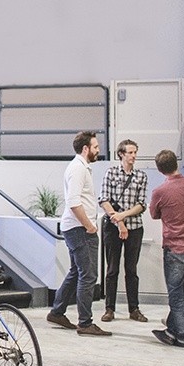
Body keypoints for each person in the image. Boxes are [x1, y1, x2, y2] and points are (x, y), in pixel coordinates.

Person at [47, 131, 111, 336]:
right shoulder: (78, 169)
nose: (98, 150)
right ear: (86, 148)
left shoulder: (82, 168)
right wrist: (89, 226)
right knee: (88, 275)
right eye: (95, 146)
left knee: (77, 272)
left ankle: (57, 312)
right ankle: (85, 322)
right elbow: (73, 201)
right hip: (79, 229)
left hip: (77, 228)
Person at [149, 149, 184, 348]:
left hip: (175, 249)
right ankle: (172, 330)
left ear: (159, 169)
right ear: (177, 164)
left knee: (176, 294)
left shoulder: (160, 192)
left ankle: (182, 335)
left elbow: (154, 214)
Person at [99, 139, 149, 323]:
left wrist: (123, 216)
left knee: (131, 269)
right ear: (121, 154)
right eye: (130, 152)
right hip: (112, 228)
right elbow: (104, 200)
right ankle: (109, 308)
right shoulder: (111, 173)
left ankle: (134, 309)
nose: (133, 156)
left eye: (135, 152)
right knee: (112, 269)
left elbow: (142, 204)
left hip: (135, 227)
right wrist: (119, 223)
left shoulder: (141, 176)